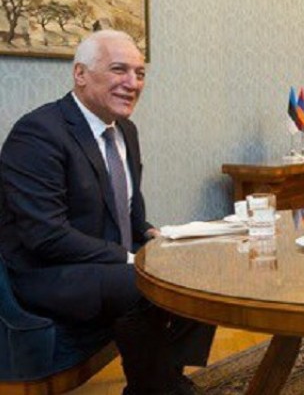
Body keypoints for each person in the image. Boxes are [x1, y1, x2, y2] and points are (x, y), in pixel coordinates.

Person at [0, 30, 214, 395]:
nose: (133, 83)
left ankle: (164, 379)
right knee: (145, 285)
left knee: (200, 267)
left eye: (140, 73)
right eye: (119, 70)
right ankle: (159, 387)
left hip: (103, 261)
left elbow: (128, 213)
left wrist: (151, 235)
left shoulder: (125, 130)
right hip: (47, 272)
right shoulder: (38, 133)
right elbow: (45, 235)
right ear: (80, 74)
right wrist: (129, 258)